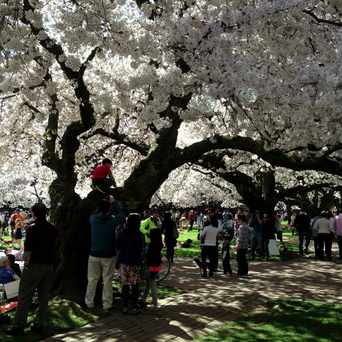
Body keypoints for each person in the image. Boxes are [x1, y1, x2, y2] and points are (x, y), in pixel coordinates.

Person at [8, 203, 58, 335]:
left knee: (25, 295)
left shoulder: (32, 229)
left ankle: (18, 326)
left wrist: (26, 264)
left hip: (34, 265)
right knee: (43, 296)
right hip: (49, 265)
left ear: (33, 213)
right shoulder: (53, 229)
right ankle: (40, 323)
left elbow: (28, 252)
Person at [85, 200, 117, 312]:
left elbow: (92, 214)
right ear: (109, 209)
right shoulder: (113, 220)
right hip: (109, 254)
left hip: (94, 253)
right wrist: (116, 204)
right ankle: (107, 304)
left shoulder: (93, 219)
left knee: (92, 280)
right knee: (107, 280)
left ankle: (89, 303)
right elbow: (122, 216)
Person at [116, 213, 144, 314]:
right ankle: (134, 306)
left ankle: (125, 306)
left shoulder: (122, 233)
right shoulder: (140, 235)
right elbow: (141, 249)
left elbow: (118, 246)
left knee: (125, 285)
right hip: (135, 262)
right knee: (135, 285)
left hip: (124, 261)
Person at [143, 221, 163, 308]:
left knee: (151, 283)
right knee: (150, 283)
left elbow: (146, 256)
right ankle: (143, 298)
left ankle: (155, 302)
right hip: (157, 266)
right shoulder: (159, 245)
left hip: (150, 265)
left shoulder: (150, 246)